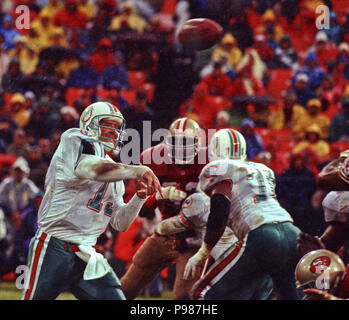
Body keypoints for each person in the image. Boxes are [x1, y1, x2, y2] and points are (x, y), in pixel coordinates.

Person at [21, 101, 161, 300]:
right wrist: (139, 169)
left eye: (117, 127)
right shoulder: (74, 139)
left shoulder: (115, 171)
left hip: (87, 252)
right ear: (89, 123)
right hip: (54, 244)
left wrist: (138, 198)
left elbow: (120, 223)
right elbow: (90, 169)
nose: (114, 131)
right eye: (108, 124)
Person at [183, 128, 301, 300]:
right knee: (284, 295)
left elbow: (219, 212)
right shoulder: (262, 169)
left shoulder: (222, 168)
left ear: (215, 149)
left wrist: (203, 251)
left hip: (262, 235)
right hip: (292, 233)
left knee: (204, 294)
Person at [120, 117, 209, 300]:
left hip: (194, 238)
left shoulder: (210, 160)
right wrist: (160, 195)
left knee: (184, 297)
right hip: (164, 233)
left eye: (187, 142)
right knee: (124, 290)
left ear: (198, 142)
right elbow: (142, 210)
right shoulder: (153, 159)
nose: (182, 148)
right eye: (177, 142)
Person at [155, 191, 273, 300]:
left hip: (234, 262)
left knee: (199, 294)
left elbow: (165, 228)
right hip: (256, 260)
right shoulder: (231, 201)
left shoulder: (197, 200)